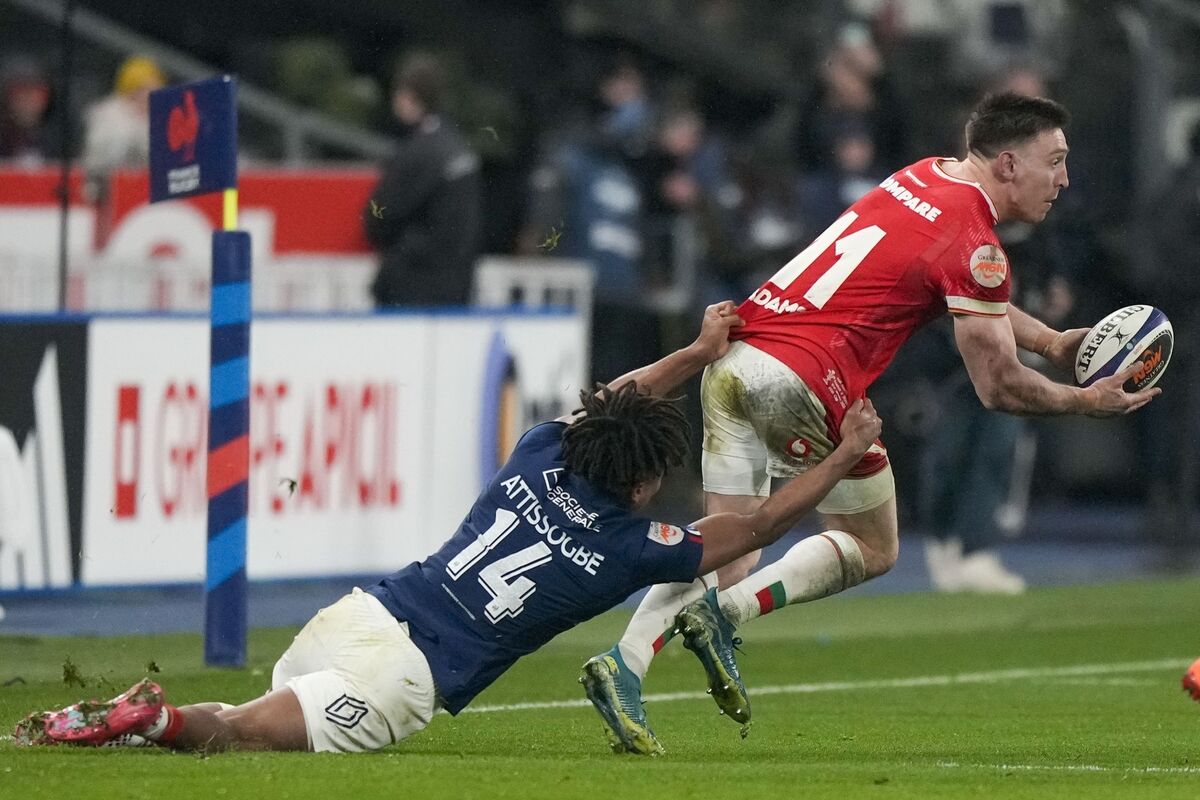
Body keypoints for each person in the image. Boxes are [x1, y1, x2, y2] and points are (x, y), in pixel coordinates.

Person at [13, 302, 883, 755]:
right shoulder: (629, 550)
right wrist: (843, 458)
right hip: (404, 678)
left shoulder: (540, 452)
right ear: (649, 479)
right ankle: (153, 720)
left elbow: (613, 403)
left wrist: (695, 353)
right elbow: (762, 520)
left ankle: (107, 719)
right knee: (240, 740)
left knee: (239, 720)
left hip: (356, 619)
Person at [582, 92, 1161, 753]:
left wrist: (1055, 343)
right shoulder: (977, 243)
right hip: (801, 379)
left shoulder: (924, 175)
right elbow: (997, 385)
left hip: (739, 358)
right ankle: (723, 616)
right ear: (1007, 163)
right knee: (874, 546)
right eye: (1054, 162)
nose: (1063, 180)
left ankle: (623, 664)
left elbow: (963, 298)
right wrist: (1090, 402)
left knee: (729, 548)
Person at [364, 52, 481, 307]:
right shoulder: (459, 148)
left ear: (409, 96)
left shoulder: (419, 152)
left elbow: (380, 213)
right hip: (458, 283)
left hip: (413, 283)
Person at [81, 56, 165, 196]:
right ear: (129, 91)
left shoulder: (162, 119)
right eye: (143, 89)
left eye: (154, 89)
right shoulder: (109, 119)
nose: (149, 95)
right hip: (113, 193)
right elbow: (99, 163)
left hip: (152, 195)